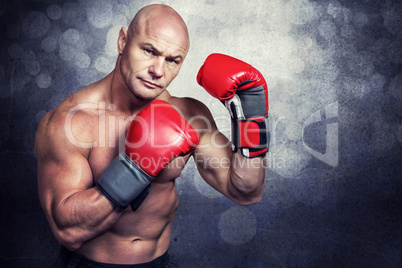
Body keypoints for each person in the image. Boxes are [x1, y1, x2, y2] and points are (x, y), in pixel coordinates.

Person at [35, 4, 269, 267]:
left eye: (172, 60)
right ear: (123, 41)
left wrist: (251, 114)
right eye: (149, 51)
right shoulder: (71, 122)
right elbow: (68, 231)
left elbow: (246, 191)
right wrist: (136, 170)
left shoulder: (189, 114)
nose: (158, 71)